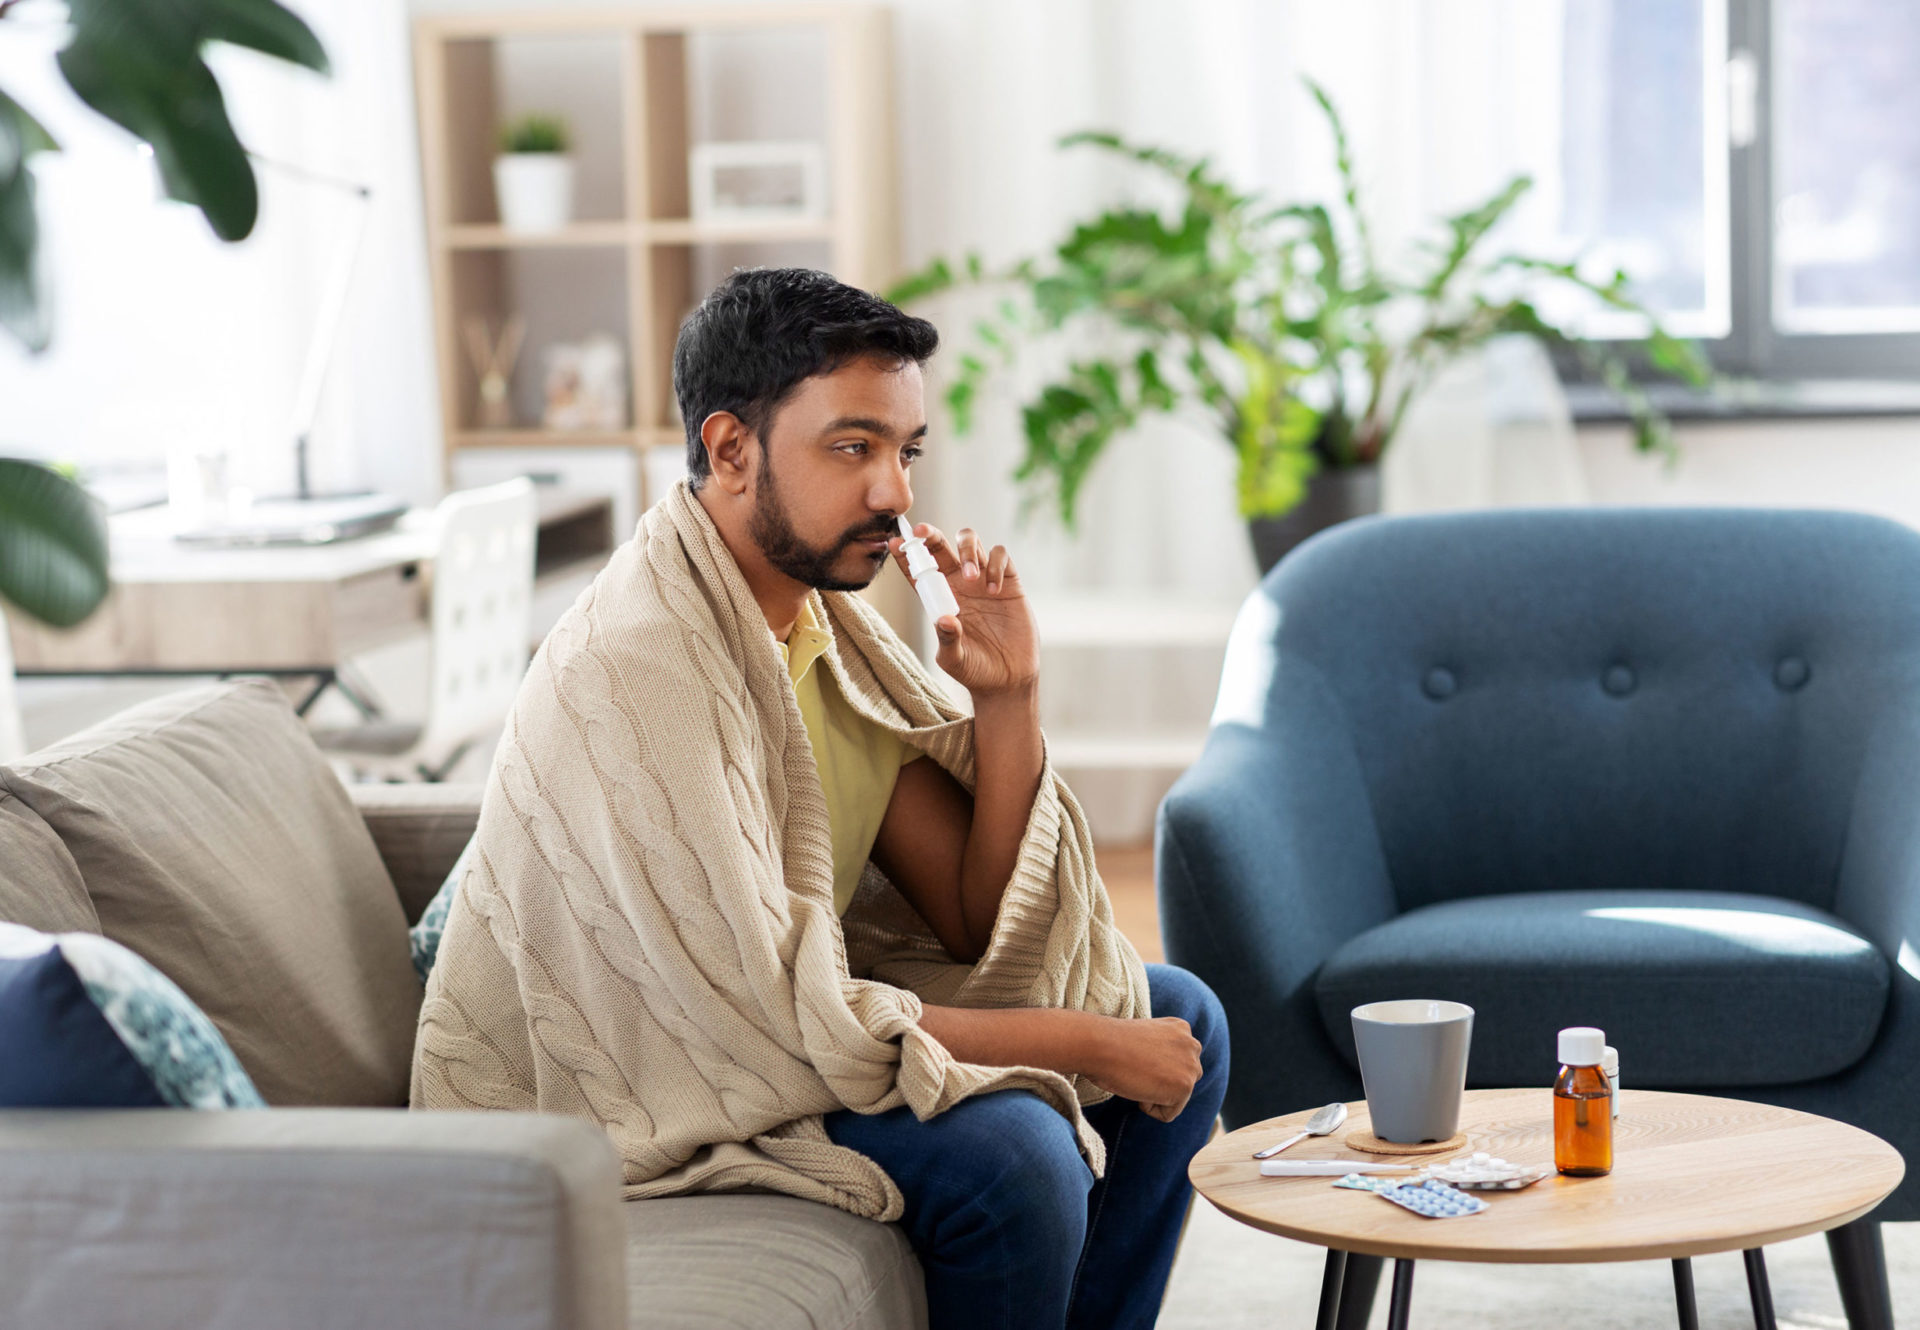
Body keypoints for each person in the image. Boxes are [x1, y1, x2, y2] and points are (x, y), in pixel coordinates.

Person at [414, 267, 1229, 1330]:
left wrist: (1008, 697)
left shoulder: (818, 632)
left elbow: (970, 916)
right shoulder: (646, 664)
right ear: (730, 448)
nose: (894, 492)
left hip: (771, 1021)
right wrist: (1084, 1045)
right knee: (1018, 1156)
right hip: (629, 1086)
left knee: (1181, 1014)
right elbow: (766, 1017)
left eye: (906, 452)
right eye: (853, 447)